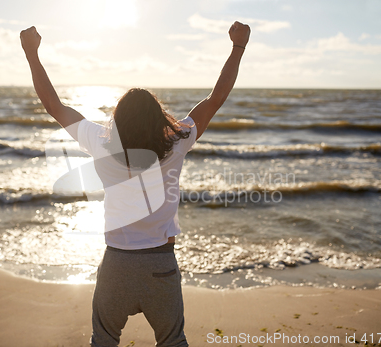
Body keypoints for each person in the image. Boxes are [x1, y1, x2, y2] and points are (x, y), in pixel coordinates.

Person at [20, 21, 250, 347]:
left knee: (103, 341)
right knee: (173, 342)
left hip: (116, 265)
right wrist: (238, 47)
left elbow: (54, 106)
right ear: (158, 116)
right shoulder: (177, 139)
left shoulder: (101, 142)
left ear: (118, 118)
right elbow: (216, 98)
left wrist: (31, 54)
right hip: (161, 264)